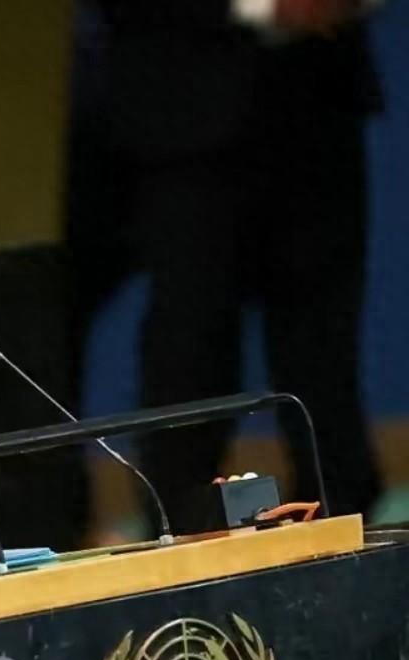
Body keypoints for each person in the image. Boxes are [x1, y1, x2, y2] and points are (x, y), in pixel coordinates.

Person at [90, 0, 384, 529]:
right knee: (189, 338)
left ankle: (342, 522)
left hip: (322, 102)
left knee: (323, 342)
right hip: (184, 104)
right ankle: (179, 526)